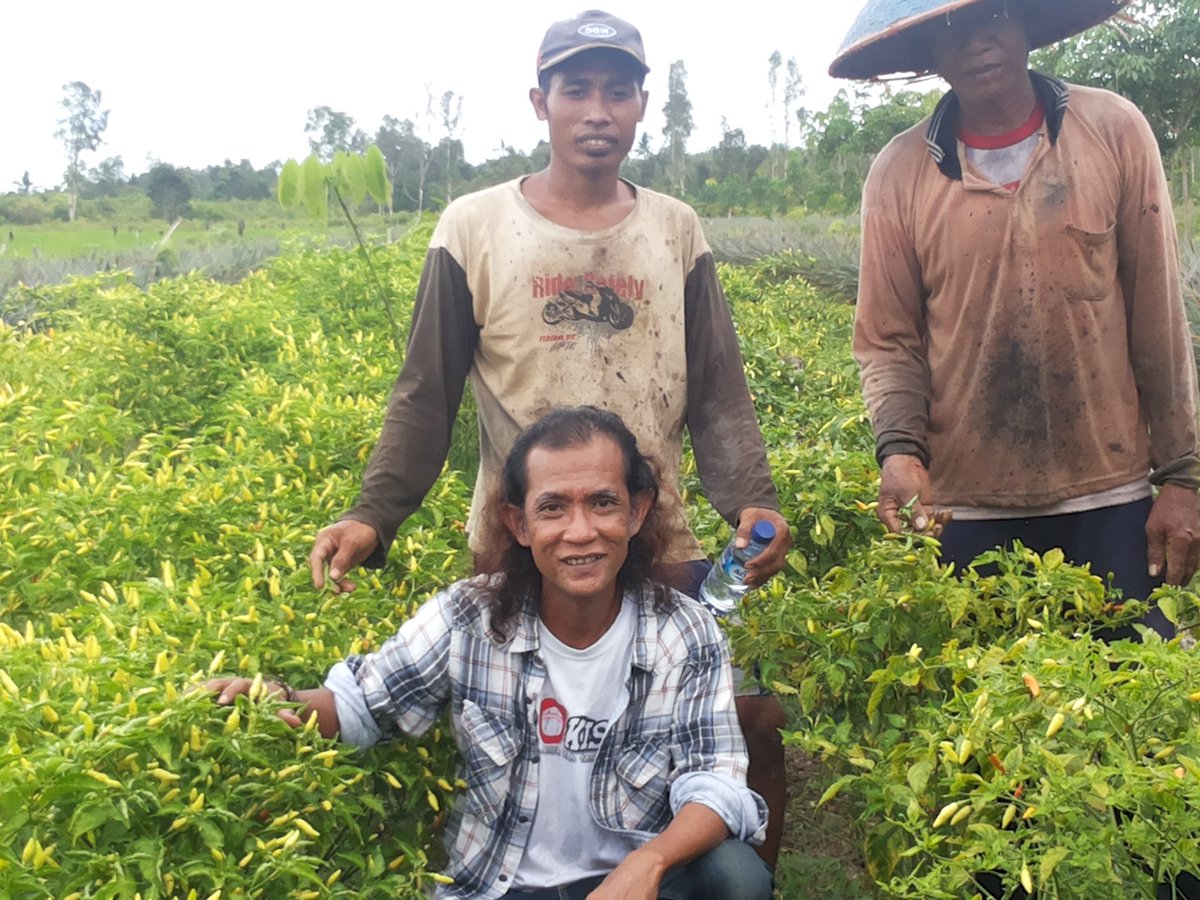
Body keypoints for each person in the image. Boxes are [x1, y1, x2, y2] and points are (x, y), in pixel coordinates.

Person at [308, 10, 792, 863]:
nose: (597, 110)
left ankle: (725, 883)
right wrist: (373, 516)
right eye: (577, 89)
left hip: (656, 531)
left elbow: (717, 389)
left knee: (743, 726)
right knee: (527, 745)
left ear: (644, 104)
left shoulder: (674, 230)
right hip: (527, 539)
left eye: (617, 90)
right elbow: (427, 392)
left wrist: (754, 502)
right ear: (541, 102)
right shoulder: (474, 228)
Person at [211, 407, 773, 900]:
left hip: (631, 881)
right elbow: (361, 705)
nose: (580, 532)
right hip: (501, 884)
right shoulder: (470, 617)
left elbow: (715, 781)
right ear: (519, 523)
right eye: (552, 508)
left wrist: (647, 864)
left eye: (603, 503)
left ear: (637, 512)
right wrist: (274, 701)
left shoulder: (685, 631)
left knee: (736, 877)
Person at [830, 0, 1200, 633]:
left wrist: (1184, 476)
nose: (977, 42)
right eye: (950, 28)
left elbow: (1158, 319)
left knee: (1126, 696)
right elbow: (889, 341)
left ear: (1027, 19)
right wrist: (899, 449)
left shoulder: (1112, 130)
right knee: (983, 712)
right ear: (928, 52)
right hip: (966, 505)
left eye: (994, 14)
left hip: (1109, 495)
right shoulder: (899, 172)